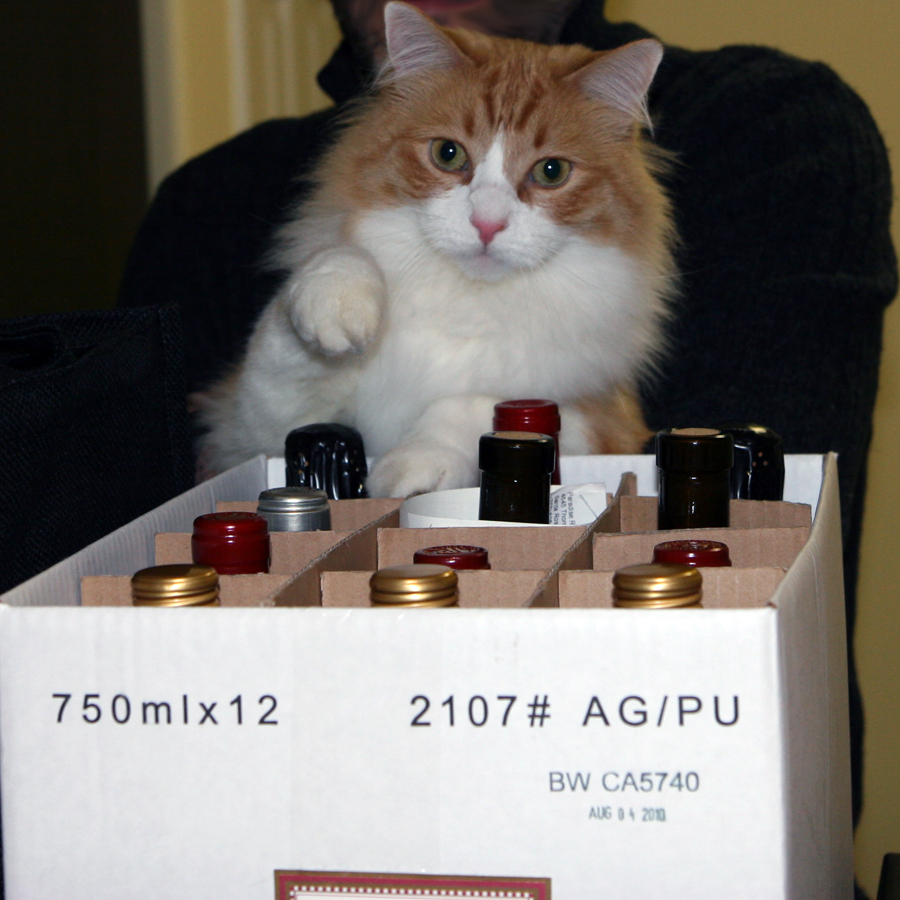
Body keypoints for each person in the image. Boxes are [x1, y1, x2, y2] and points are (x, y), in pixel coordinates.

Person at [117, 0, 897, 869]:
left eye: (548, 170)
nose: (488, 215)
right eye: (449, 156)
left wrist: (470, 430)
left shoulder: (776, 129)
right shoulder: (199, 203)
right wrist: (301, 335)